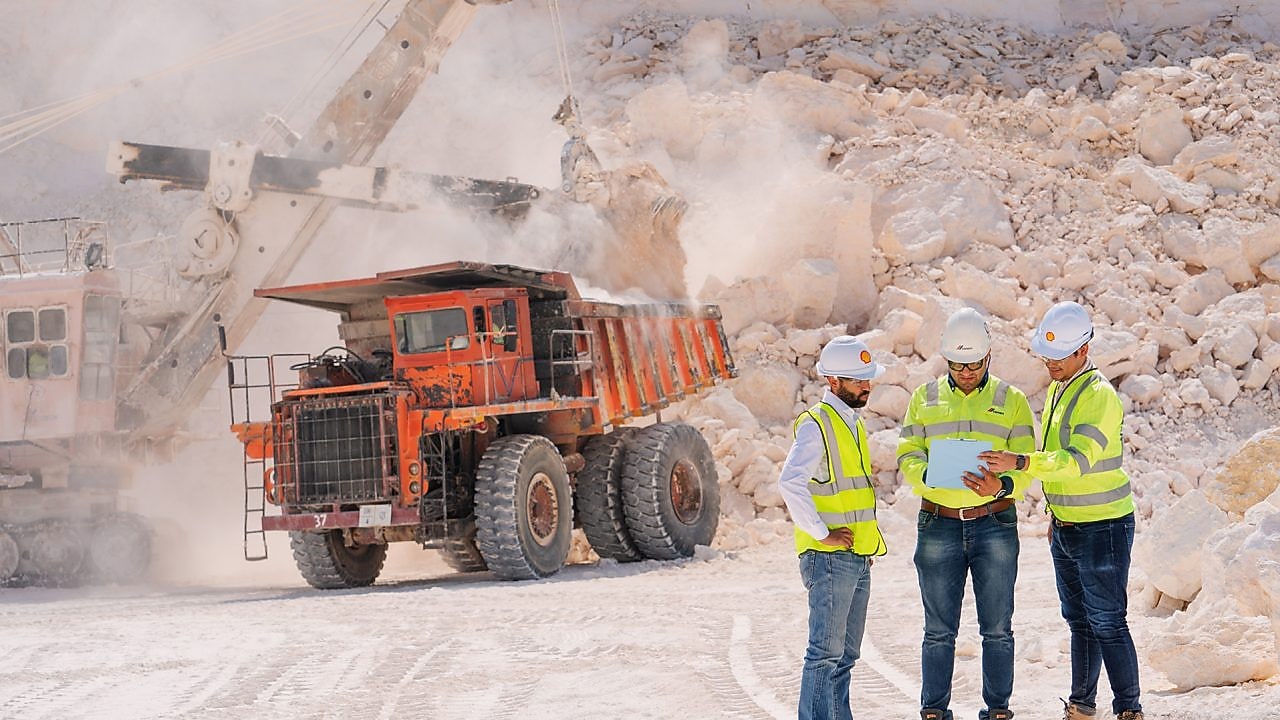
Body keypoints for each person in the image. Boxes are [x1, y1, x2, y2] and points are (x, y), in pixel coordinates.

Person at [981, 301, 1143, 720]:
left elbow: (1076, 461)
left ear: (1083, 351)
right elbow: (1056, 459)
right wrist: (1056, 513)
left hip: (1103, 526)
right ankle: (1082, 705)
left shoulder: (1099, 397)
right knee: (1080, 622)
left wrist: (1020, 463)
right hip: (1069, 525)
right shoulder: (1059, 388)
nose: (1049, 364)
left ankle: (1128, 708)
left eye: (1059, 356)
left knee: (1108, 620)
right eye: (1046, 356)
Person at [896, 308, 1036, 720]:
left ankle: (998, 710)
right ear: (946, 360)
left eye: (974, 364)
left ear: (989, 357)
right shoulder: (925, 398)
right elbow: (906, 451)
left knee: (997, 629)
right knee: (938, 631)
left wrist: (1005, 486)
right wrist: (928, 477)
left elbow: (1027, 460)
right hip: (938, 522)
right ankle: (934, 711)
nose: (967, 372)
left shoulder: (1011, 401)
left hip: (994, 523)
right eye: (958, 365)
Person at [777, 335, 889, 720]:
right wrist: (822, 534)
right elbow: (790, 483)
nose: (866, 386)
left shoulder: (854, 424)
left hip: (856, 557)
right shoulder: (816, 425)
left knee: (846, 656)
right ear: (833, 381)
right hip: (828, 557)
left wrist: (864, 549)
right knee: (824, 655)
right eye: (858, 380)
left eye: (867, 378)